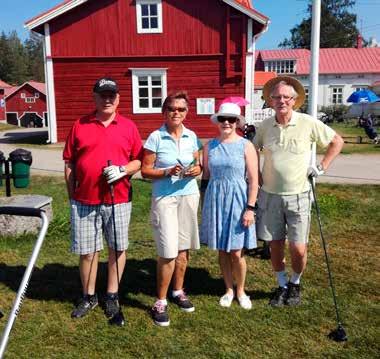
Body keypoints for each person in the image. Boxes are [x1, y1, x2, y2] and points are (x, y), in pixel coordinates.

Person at [253, 76, 344, 307]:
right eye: (276, 97)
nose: (281, 100)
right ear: (270, 101)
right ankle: (282, 284)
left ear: (294, 100)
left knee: (298, 247)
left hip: (299, 195)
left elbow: (337, 141)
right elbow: (252, 149)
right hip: (270, 195)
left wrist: (322, 166)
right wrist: (257, 175)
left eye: (286, 97)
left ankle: (296, 281)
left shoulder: (307, 122)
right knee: (274, 244)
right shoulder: (265, 126)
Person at [63, 77, 143, 323]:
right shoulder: (80, 124)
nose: (107, 99)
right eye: (102, 95)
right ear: (94, 97)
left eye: (112, 95)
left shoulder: (129, 126)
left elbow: (139, 160)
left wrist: (123, 170)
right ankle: (88, 296)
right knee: (88, 251)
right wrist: (72, 196)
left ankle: (111, 294)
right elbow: (69, 163)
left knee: (117, 248)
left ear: (118, 98)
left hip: (118, 199)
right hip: (84, 199)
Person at [141, 91, 202, 327]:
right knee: (168, 251)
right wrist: (166, 172)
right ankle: (160, 301)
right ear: (164, 111)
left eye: (181, 109)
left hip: (188, 196)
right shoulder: (155, 137)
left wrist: (197, 169)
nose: (176, 113)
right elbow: (145, 171)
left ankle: (178, 291)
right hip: (165, 198)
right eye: (172, 109)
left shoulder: (192, 136)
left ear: (187, 112)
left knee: (183, 249)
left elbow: (197, 163)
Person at [200, 99, 259, 310]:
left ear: (237, 122)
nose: (227, 123)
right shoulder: (210, 146)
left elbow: (253, 180)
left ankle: (241, 290)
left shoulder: (246, 145)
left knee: (236, 251)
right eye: (223, 119)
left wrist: (250, 208)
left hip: (238, 200)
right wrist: (203, 203)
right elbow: (205, 176)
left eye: (231, 119)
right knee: (222, 251)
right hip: (216, 199)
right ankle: (228, 289)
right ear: (218, 121)